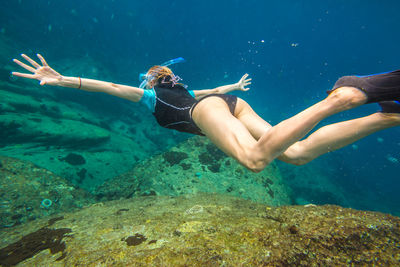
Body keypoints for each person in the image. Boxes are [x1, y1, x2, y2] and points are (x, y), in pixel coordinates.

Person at [12, 54, 400, 172]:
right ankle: (387, 116)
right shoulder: (185, 88)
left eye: (145, 80)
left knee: (255, 159)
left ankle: (341, 97)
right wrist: (234, 88)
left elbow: (112, 88)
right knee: (297, 154)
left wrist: (64, 80)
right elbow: (218, 93)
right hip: (223, 106)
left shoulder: (150, 95)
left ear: (150, 82)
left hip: (206, 110)